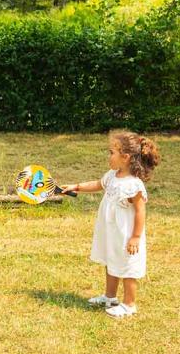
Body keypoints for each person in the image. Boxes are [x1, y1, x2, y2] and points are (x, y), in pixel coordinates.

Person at [61, 131, 161, 318]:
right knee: (111, 261)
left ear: (125, 157)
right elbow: (98, 184)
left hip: (126, 235)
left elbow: (140, 212)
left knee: (128, 267)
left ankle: (129, 304)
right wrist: (76, 187)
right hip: (112, 232)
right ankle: (110, 297)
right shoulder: (113, 175)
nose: (109, 156)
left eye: (111, 152)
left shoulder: (134, 185)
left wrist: (136, 237)